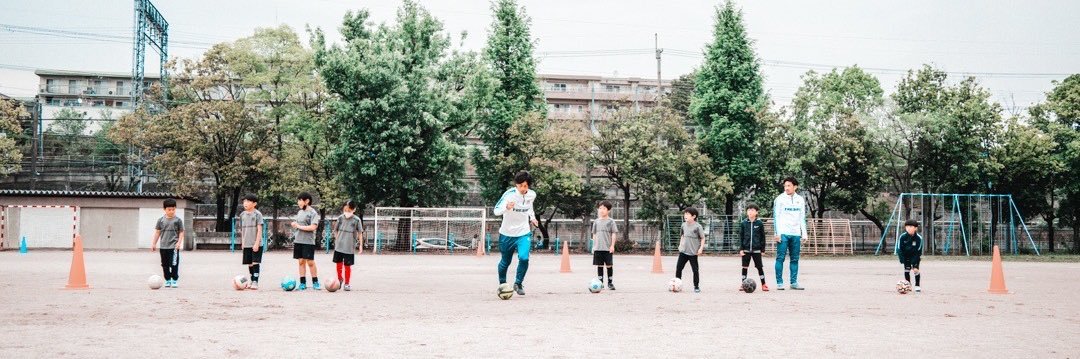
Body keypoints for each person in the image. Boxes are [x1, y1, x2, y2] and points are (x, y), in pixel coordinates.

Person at [494, 170, 539, 296]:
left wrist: (532, 218)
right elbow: (496, 211)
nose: (522, 188)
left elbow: (529, 207)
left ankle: (518, 283)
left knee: (524, 258)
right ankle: (502, 284)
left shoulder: (532, 195)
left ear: (528, 185)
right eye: (520, 186)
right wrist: (506, 207)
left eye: (525, 186)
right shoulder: (509, 195)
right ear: (516, 184)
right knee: (505, 262)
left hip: (523, 232)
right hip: (507, 233)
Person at [773, 176, 808, 290]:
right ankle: (779, 283)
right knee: (780, 258)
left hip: (796, 234)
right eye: (785, 186)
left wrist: (804, 234)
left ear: (795, 187)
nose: (786, 188)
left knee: (795, 259)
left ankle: (793, 283)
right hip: (783, 233)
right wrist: (777, 233)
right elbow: (776, 217)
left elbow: (802, 217)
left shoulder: (800, 200)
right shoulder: (779, 199)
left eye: (789, 186)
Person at [151, 198, 184, 288]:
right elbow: (157, 232)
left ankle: (174, 280)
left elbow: (181, 232)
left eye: (173, 209)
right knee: (164, 265)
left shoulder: (178, 220)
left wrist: (179, 243)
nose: (171, 211)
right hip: (163, 247)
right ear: (164, 209)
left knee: (174, 264)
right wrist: (154, 243)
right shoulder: (160, 220)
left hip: (174, 247)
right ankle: (168, 279)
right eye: (169, 209)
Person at [333, 200, 364, 291]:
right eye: (345, 210)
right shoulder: (340, 218)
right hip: (339, 246)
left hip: (349, 246)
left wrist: (360, 245)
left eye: (349, 210)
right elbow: (335, 230)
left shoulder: (356, 220)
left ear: (354, 209)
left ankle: (347, 283)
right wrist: (337, 239)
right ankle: (340, 279)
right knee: (338, 264)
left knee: (347, 266)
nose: (347, 212)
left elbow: (360, 233)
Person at [292, 192, 321, 290]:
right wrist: (295, 224)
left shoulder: (313, 213)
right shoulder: (300, 212)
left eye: (300, 200)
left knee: (310, 262)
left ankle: (315, 282)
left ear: (307, 201)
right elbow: (299, 224)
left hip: (308, 241)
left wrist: (298, 226)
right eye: (298, 200)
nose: (298, 202)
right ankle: (302, 283)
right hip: (298, 240)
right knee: (301, 262)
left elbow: (313, 227)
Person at [738, 203, 768, 292]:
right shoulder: (743, 223)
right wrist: (741, 249)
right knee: (744, 267)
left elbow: (763, 237)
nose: (750, 212)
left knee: (759, 267)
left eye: (752, 210)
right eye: (748, 210)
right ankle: (743, 284)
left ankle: (764, 284)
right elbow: (741, 237)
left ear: (756, 212)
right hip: (746, 249)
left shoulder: (759, 223)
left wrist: (762, 249)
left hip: (756, 250)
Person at [677, 207, 706, 293]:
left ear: (694, 216)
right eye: (685, 214)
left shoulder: (698, 226)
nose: (685, 215)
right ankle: (677, 285)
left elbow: (702, 238)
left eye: (687, 214)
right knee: (678, 268)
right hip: (683, 252)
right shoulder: (683, 225)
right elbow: (682, 235)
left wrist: (700, 248)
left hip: (693, 253)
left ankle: (696, 286)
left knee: (695, 270)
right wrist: (680, 245)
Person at [591, 200, 619, 290]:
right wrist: (594, 246)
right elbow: (594, 234)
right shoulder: (596, 221)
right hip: (598, 248)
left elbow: (614, 233)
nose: (601, 210)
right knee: (599, 265)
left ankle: (610, 283)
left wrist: (612, 245)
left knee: (609, 265)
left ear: (608, 210)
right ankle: (601, 283)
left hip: (607, 248)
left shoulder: (611, 221)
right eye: (600, 208)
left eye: (604, 208)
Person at [239, 194, 264, 290]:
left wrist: (257, 243)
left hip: (256, 243)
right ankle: (251, 280)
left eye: (248, 201)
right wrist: (243, 242)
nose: (245, 203)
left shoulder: (258, 214)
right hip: (247, 243)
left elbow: (259, 229)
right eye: (244, 201)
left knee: (255, 262)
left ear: (254, 204)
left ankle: (255, 282)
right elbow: (242, 230)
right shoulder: (242, 215)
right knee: (249, 263)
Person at [898, 219, 924, 293]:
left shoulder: (919, 238)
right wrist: (902, 258)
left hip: (915, 256)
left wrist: (914, 261)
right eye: (907, 227)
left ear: (915, 228)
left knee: (915, 270)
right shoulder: (902, 237)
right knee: (907, 270)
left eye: (910, 226)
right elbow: (899, 248)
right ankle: (908, 286)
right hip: (906, 256)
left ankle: (917, 285)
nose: (908, 228)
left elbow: (918, 250)